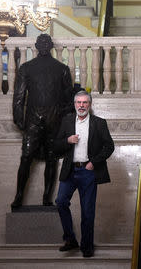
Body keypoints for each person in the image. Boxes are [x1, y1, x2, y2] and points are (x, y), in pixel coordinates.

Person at [11, 34, 74, 208]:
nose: (45, 45)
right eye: (42, 43)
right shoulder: (27, 68)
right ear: (37, 46)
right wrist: (18, 118)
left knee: (52, 159)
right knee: (26, 157)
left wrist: (61, 115)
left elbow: (69, 98)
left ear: (51, 46)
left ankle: (47, 198)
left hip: (54, 121)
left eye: (47, 43)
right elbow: (19, 97)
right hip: (32, 121)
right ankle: (19, 196)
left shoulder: (62, 69)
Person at [54, 91, 114, 258]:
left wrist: (94, 162)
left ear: (90, 104)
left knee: (87, 211)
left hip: (88, 172)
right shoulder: (66, 121)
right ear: (74, 104)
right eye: (78, 102)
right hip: (70, 170)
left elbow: (109, 147)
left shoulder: (99, 123)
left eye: (85, 102)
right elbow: (56, 145)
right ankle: (70, 239)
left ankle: (87, 246)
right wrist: (67, 140)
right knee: (60, 202)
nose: (81, 105)